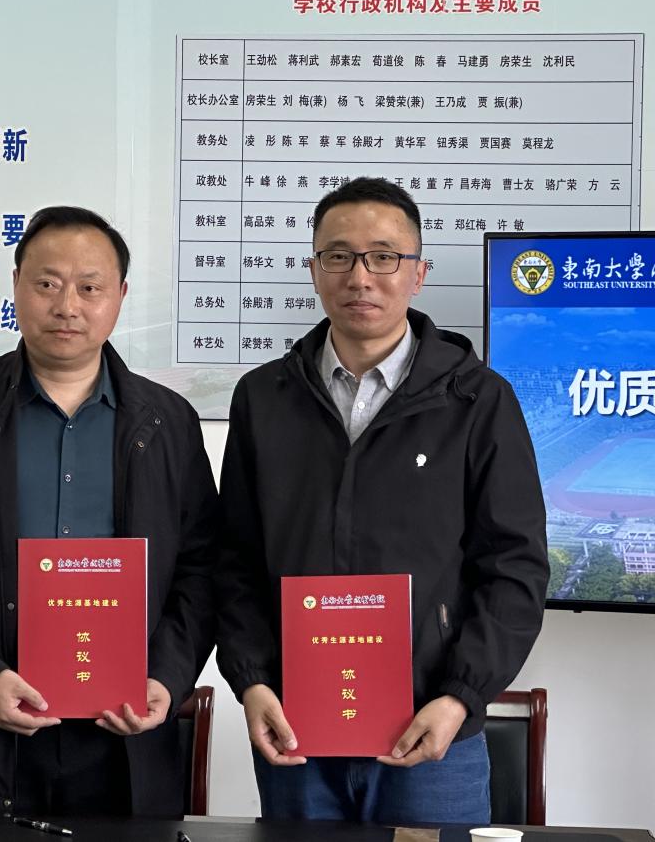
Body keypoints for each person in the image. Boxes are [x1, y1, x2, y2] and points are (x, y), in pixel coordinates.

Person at [216, 177, 549, 825]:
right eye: (339, 256)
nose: (360, 276)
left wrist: (460, 695)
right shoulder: (263, 399)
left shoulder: (477, 400)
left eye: (384, 256)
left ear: (418, 273)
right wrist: (251, 680)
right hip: (296, 730)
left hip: (431, 733)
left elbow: (516, 567)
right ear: (314, 269)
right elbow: (235, 562)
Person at [0, 206, 217, 817]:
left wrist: (165, 675)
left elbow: (203, 568)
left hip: (123, 739)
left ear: (120, 296)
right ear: (16, 285)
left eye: (90, 288)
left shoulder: (169, 422)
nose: (67, 306)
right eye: (48, 284)